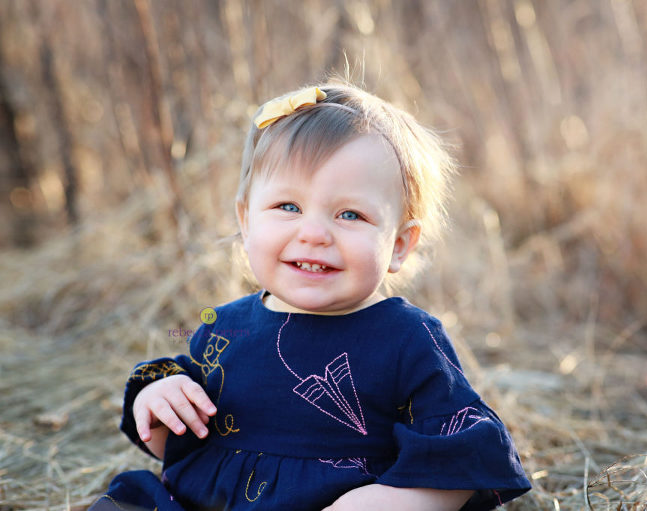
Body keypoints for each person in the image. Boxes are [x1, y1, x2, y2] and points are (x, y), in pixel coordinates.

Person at [91, 82, 531, 511]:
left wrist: (388, 502)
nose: (315, 233)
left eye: (350, 214)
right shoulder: (224, 327)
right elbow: (175, 445)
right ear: (246, 220)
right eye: (288, 207)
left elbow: (464, 456)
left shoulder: (407, 338)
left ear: (399, 244)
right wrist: (160, 398)